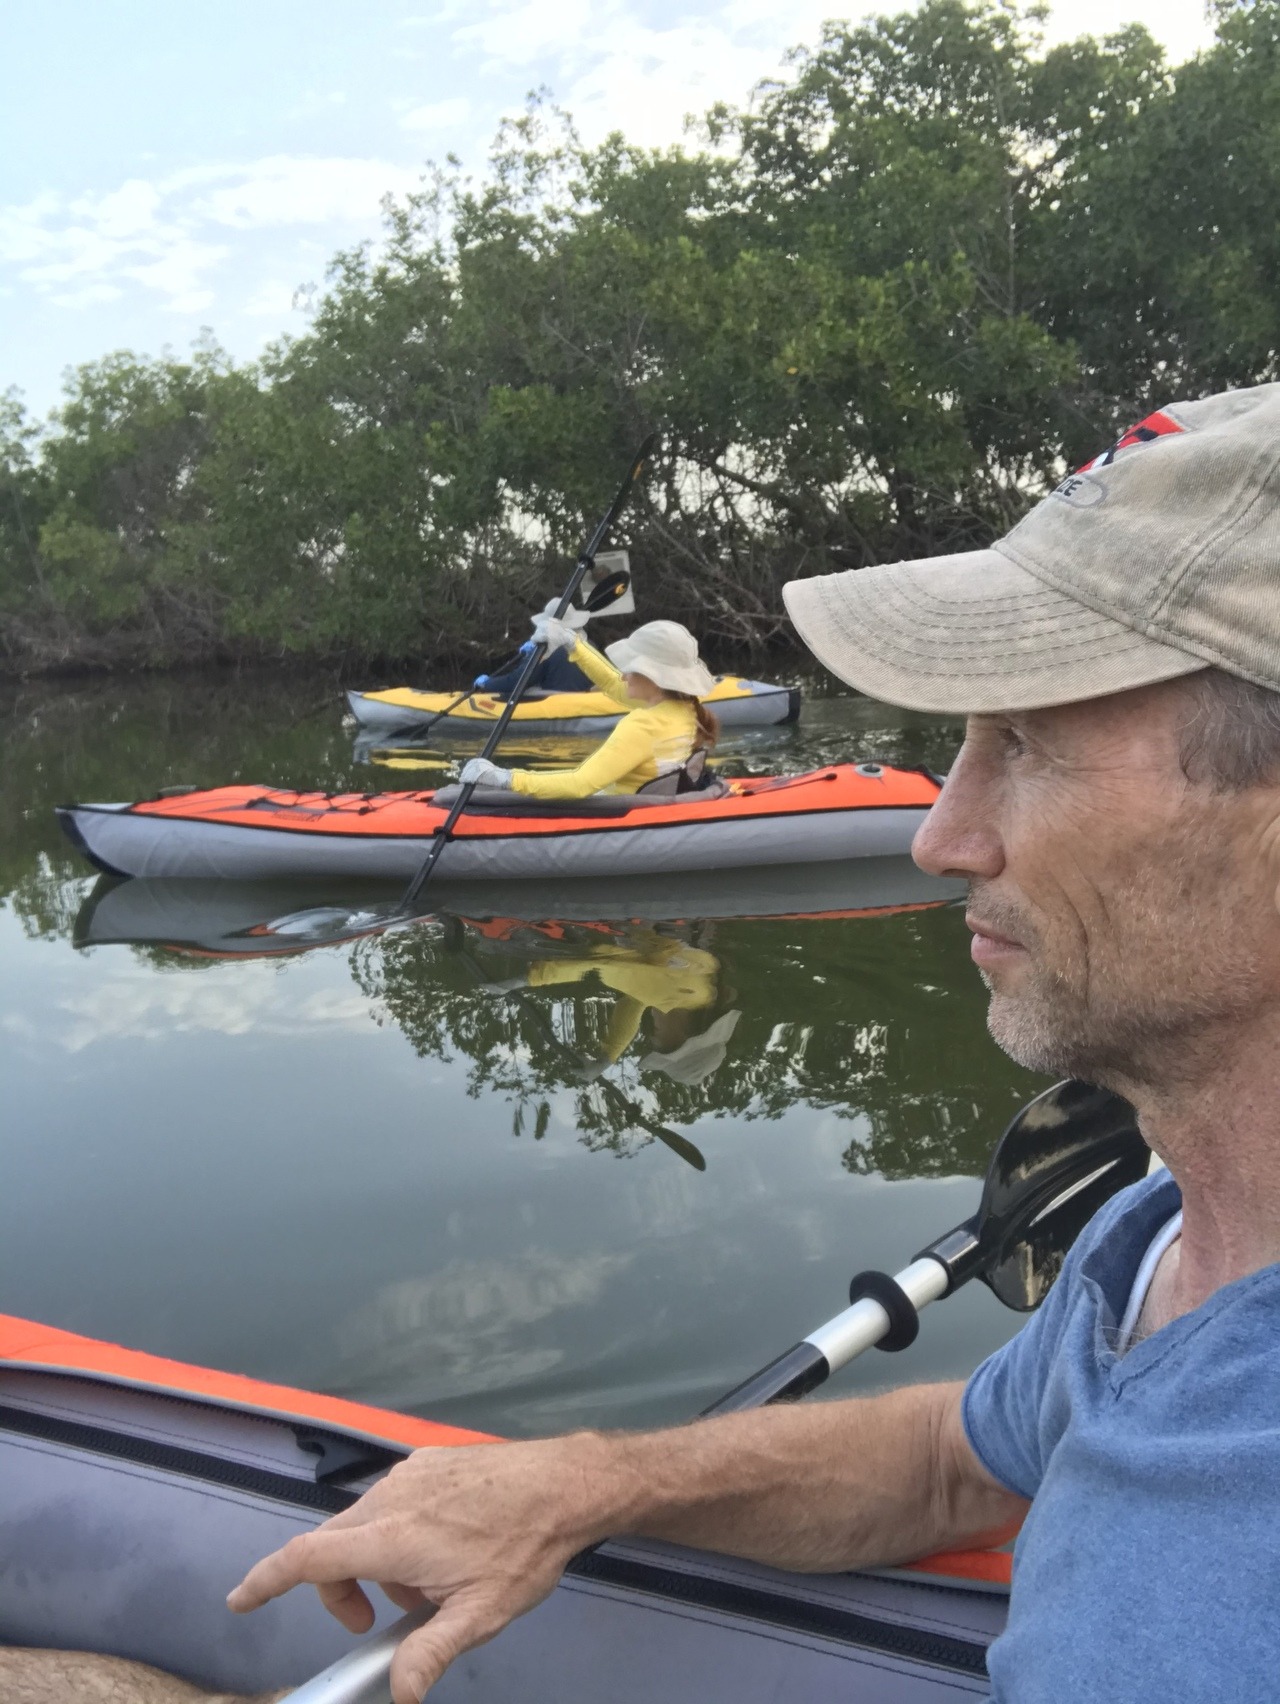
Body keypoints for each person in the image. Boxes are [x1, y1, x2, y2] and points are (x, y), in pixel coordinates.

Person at [223, 383, 1280, 1703]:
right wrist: (588, 1481)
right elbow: (960, 1457)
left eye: (1031, 744)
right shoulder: (1162, 1234)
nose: (940, 839)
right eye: (964, 747)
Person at [458, 617, 719, 800]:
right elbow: (611, 683)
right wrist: (572, 643)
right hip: (643, 801)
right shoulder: (683, 708)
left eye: (631, 668)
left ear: (654, 678)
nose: (624, 674)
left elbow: (579, 785)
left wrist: (505, 778)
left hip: (619, 815)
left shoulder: (644, 725)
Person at [471, 599, 593, 697]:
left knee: (526, 691)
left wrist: (487, 684)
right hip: (586, 700)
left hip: (559, 704)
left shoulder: (546, 649)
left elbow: (517, 681)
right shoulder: (590, 644)